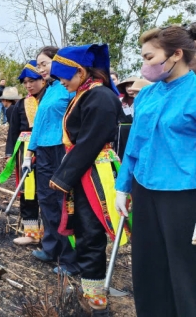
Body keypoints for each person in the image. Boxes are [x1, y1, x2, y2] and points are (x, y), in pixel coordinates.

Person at [115, 23, 196, 317]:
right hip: (145, 190)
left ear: (176, 54)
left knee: (184, 271)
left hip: (184, 196)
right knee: (148, 266)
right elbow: (134, 145)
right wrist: (123, 187)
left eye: (149, 58)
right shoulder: (148, 96)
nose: (144, 65)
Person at [47, 44, 127, 316]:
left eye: (64, 77)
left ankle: (97, 300)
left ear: (80, 71)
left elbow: (90, 141)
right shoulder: (84, 94)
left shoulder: (101, 96)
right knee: (83, 227)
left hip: (95, 173)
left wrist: (62, 177)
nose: (62, 82)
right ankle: (90, 286)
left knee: (92, 231)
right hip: (83, 169)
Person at [22, 46, 78, 275]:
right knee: (45, 200)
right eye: (39, 65)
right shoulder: (50, 91)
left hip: (61, 150)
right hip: (43, 152)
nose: (40, 68)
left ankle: (70, 259)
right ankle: (50, 247)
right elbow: (39, 126)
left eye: (44, 63)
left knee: (61, 202)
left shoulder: (69, 88)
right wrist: (29, 153)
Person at [0, 61, 47, 245]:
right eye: (25, 82)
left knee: (46, 191)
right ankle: (31, 233)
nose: (29, 85)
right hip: (24, 151)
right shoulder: (20, 105)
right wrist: (9, 152)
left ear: (42, 79)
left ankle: (48, 233)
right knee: (28, 191)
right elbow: (13, 131)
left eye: (32, 80)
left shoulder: (50, 100)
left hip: (47, 149)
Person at [113, 76, 138, 161]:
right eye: (127, 86)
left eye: (132, 85)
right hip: (122, 131)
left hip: (136, 129)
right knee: (121, 152)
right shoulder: (119, 100)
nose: (129, 88)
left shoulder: (141, 100)